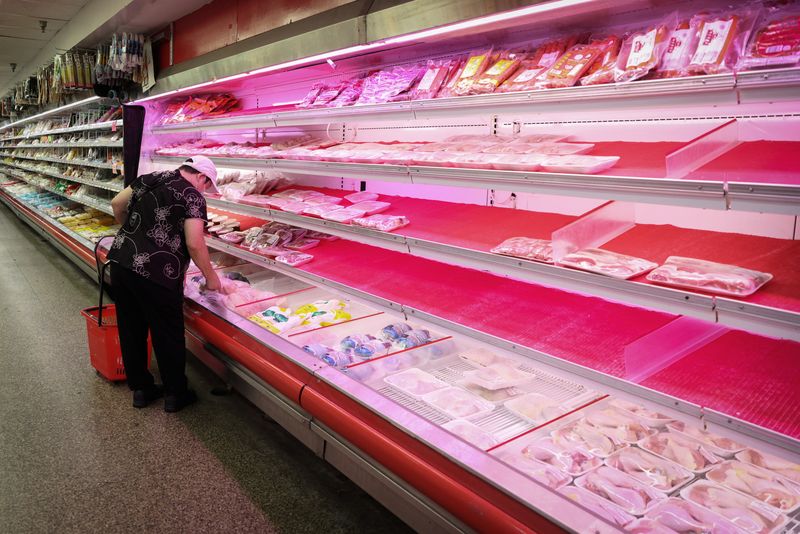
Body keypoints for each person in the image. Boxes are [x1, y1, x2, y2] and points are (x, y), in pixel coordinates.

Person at [107, 155, 225, 412]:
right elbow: (195, 242)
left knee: (131, 328)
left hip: (121, 262)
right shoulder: (193, 196)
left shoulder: (151, 178)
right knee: (167, 333)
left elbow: (117, 203)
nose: (205, 190)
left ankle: (141, 389)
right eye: (207, 185)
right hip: (158, 272)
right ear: (201, 177)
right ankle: (175, 394)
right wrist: (211, 277)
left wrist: (133, 234)